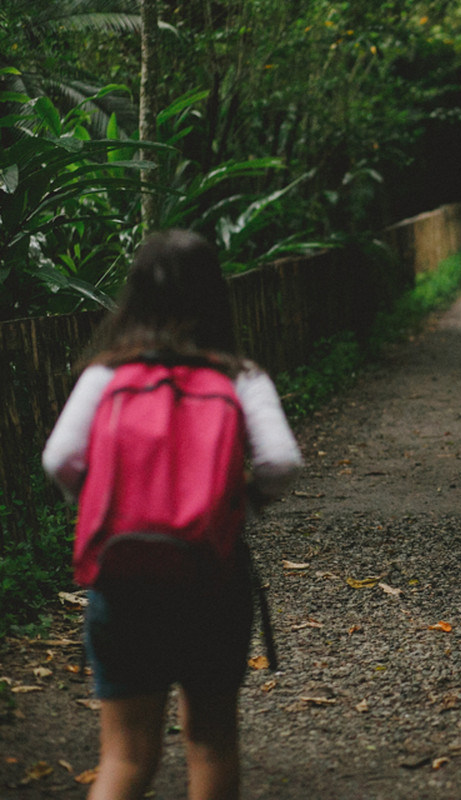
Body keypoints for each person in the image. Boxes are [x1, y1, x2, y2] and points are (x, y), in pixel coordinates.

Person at [42, 230, 302, 800]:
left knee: (127, 757)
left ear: (135, 296)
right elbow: (281, 461)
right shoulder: (239, 377)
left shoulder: (106, 375)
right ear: (215, 296)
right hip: (211, 575)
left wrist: (105, 497)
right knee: (210, 742)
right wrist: (247, 500)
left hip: (123, 579)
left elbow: (59, 457)